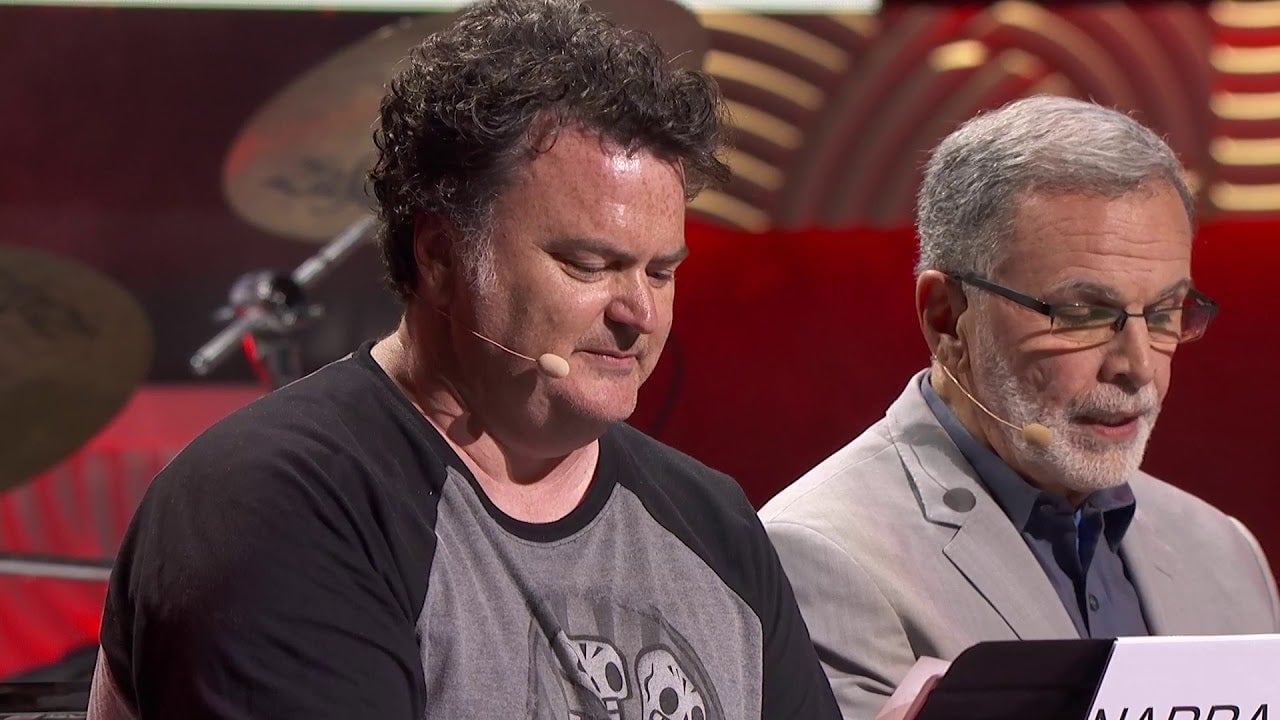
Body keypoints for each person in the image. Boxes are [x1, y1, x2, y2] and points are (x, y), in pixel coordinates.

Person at [88, 1, 840, 718]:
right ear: (442, 255)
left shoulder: (714, 525)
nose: (638, 313)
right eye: (588, 265)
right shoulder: (276, 504)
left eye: (661, 272)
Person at [759, 95, 1280, 718]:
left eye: (1165, 312)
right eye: (1083, 313)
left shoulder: (1227, 555)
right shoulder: (819, 557)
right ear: (947, 319)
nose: (1139, 366)